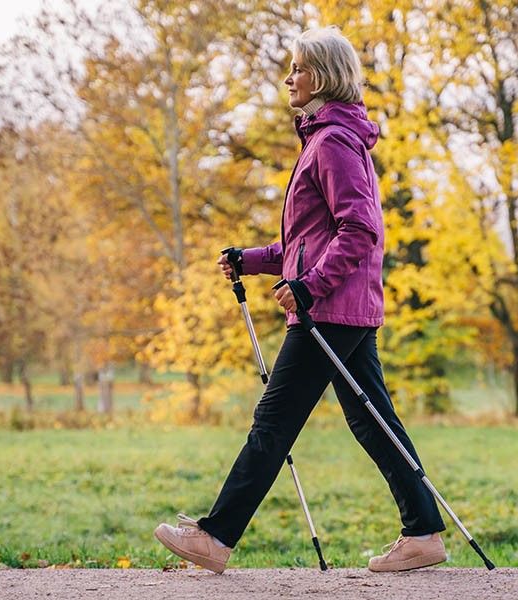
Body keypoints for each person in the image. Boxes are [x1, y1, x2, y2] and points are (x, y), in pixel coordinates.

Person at [154, 26, 447, 575]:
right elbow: (303, 243)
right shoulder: (324, 138)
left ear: (324, 76)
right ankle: (424, 532)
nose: (288, 78)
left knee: (274, 421)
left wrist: (310, 287)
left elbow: (360, 230)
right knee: (371, 418)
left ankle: (215, 539)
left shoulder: (333, 140)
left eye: (298, 68)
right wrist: (252, 258)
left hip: (328, 308)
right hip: (342, 305)